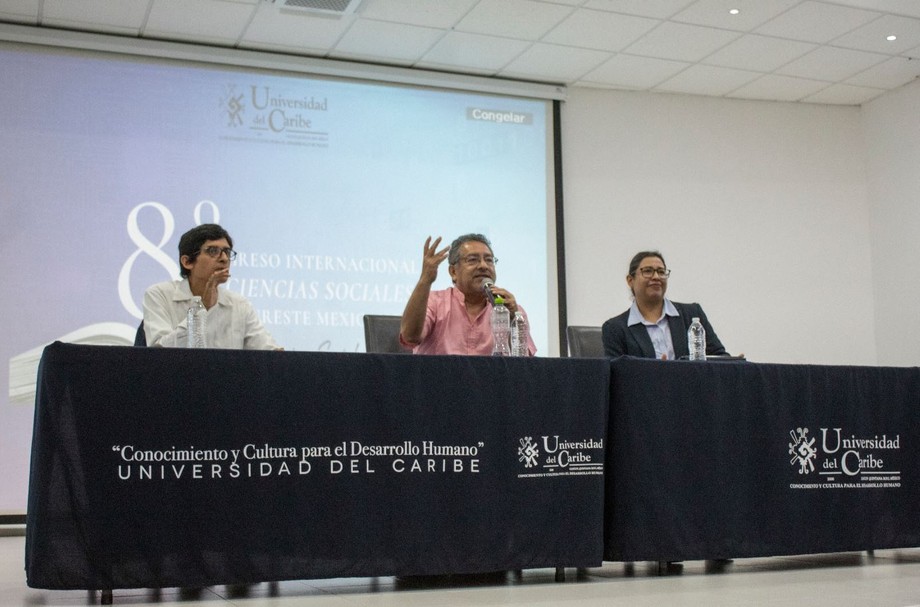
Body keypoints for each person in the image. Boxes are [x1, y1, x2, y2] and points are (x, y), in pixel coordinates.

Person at [143, 223, 281, 350]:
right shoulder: (159, 295)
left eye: (227, 252)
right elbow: (158, 353)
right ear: (187, 262)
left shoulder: (239, 304)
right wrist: (202, 307)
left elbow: (268, 352)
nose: (224, 259)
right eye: (213, 251)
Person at [399, 233, 536, 355]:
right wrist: (425, 280)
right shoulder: (434, 302)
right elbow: (410, 337)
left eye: (489, 260)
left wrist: (514, 318)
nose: (483, 266)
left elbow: (526, 364)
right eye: (472, 260)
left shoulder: (509, 308)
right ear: (453, 272)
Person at [602, 250, 727, 359]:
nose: (656, 277)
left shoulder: (692, 315)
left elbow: (720, 358)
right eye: (648, 271)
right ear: (630, 280)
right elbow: (616, 374)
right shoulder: (615, 329)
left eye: (661, 272)